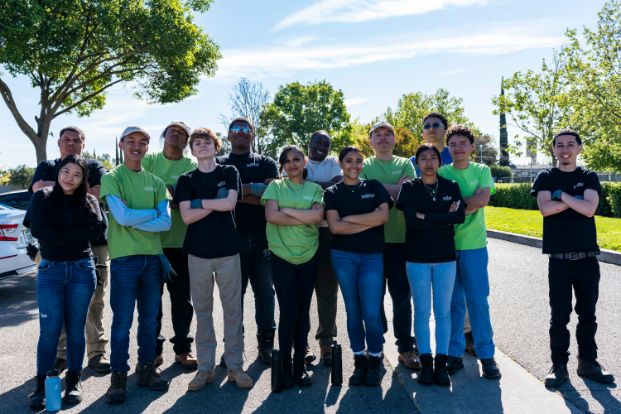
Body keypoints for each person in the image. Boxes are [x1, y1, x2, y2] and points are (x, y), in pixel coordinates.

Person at [531, 129, 615, 388]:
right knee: (559, 317)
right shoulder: (545, 176)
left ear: (579, 148)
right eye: (559, 145)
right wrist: (576, 200)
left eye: (570, 144)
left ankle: (588, 362)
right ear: (554, 149)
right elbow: (546, 209)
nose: (565, 149)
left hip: (587, 258)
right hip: (559, 260)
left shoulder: (588, 176)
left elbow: (589, 210)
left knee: (587, 314)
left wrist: (562, 196)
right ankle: (559, 367)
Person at [29, 126, 111, 374]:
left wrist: (58, 187)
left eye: (77, 140)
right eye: (66, 139)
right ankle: (61, 355)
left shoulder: (94, 166)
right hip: (51, 249)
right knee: (57, 306)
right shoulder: (46, 164)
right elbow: (38, 189)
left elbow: (96, 194)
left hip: (90, 248)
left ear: (83, 144)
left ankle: (97, 352)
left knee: (94, 301)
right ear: (59, 143)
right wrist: (74, 186)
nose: (71, 143)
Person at [25, 155, 105, 410]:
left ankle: (73, 382)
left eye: (77, 174)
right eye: (66, 171)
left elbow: (95, 231)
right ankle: (41, 384)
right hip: (51, 271)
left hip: (82, 270)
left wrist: (59, 235)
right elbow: (38, 229)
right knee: (49, 332)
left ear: (83, 180)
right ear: (59, 172)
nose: (69, 177)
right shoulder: (42, 197)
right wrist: (72, 236)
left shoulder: (90, 201)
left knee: (75, 329)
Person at [176, 128, 253, 391]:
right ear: (192, 150)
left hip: (228, 251)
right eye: (197, 143)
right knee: (203, 312)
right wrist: (213, 202)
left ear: (216, 146)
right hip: (198, 253)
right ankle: (205, 369)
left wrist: (199, 203)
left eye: (207, 142)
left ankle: (235, 367)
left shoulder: (229, 172)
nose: (202, 146)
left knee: (233, 312)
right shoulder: (186, 180)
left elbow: (230, 203)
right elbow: (186, 217)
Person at [101, 126, 172, 404]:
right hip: (124, 261)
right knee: (121, 322)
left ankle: (146, 369)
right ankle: (118, 375)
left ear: (147, 148)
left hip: (153, 260)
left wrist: (137, 217)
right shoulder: (112, 178)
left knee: (149, 320)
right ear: (121, 144)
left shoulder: (156, 183)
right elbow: (121, 217)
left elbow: (166, 223)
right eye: (131, 141)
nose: (137, 146)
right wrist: (152, 213)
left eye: (143, 142)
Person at [397, 144, 465, 386]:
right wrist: (442, 219)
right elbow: (411, 223)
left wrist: (427, 216)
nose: (428, 162)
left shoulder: (450, 186)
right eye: (423, 158)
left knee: (444, 312)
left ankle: (441, 364)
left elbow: (458, 217)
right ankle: (426, 363)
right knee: (423, 313)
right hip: (417, 259)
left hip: (445, 259)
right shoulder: (409, 188)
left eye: (432, 158)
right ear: (417, 163)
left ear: (439, 161)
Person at [438, 125, 501, 379]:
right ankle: (455, 354)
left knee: (477, 303)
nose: (458, 148)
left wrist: (453, 210)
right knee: (453, 304)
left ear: (472, 147)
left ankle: (487, 356)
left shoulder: (481, 170)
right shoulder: (442, 172)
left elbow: (481, 200)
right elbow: (442, 204)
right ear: (448, 148)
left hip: (474, 246)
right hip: (447, 247)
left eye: (462, 143)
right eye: (452, 144)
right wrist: (463, 205)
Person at [324, 146, 390, 386]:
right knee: (353, 311)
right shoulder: (332, 192)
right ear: (341, 164)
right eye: (349, 160)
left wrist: (349, 219)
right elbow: (335, 228)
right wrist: (368, 221)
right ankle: (359, 358)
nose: (354, 165)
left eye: (359, 160)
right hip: (343, 256)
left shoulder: (374, 186)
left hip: (372, 256)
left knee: (371, 312)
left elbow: (383, 217)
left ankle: (375, 358)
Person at [262, 145, 324, 387]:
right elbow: (272, 216)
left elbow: (317, 218)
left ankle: (300, 366)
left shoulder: (316, 189)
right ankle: (284, 367)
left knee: (303, 312)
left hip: (309, 255)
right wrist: (302, 213)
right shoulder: (275, 187)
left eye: (297, 159)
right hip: (281, 257)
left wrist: (286, 209)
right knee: (288, 313)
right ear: (283, 165)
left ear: (304, 161)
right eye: (287, 161)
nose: (292, 164)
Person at [217, 117, 277, 364]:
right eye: (235, 129)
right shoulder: (219, 163)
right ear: (228, 136)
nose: (240, 133)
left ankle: (266, 345)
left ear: (252, 134)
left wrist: (235, 193)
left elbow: (273, 194)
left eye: (245, 129)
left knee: (265, 294)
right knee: (233, 297)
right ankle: (233, 346)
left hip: (264, 239)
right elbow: (217, 194)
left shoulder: (266, 162)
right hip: (231, 240)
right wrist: (255, 190)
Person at [360, 121, 419, 370]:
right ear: (371, 141)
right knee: (372, 298)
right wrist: (394, 189)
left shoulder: (405, 163)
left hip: (401, 241)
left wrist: (376, 189)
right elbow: (362, 195)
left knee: (402, 298)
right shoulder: (362, 165)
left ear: (394, 140)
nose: (383, 139)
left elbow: (409, 193)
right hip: (372, 242)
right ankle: (375, 342)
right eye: (378, 135)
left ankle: (405, 347)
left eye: (388, 135)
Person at [142, 121, 198, 369]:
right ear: (163, 136)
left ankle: (183, 349)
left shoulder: (191, 165)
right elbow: (140, 193)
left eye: (182, 133)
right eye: (172, 131)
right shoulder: (149, 160)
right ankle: (153, 350)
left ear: (187, 141)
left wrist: (161, 193)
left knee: (182, 301)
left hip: (182, 244)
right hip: (151, 244)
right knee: (151, 301)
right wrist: (172, 194)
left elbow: (194, 198)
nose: (176, 135)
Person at [304, 130, 342, 365]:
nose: (321, 146)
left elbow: (338, 186)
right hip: (301, 234)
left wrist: (306, 185)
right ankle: (303, 342)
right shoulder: (298, 160)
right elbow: (288, 186)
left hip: (328, 233)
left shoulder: (334, 162)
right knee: (301, 293)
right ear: (309, 143)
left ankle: (326, 341)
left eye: (326, 143)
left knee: (327, 292)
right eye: (317, 141)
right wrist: (324, 187)